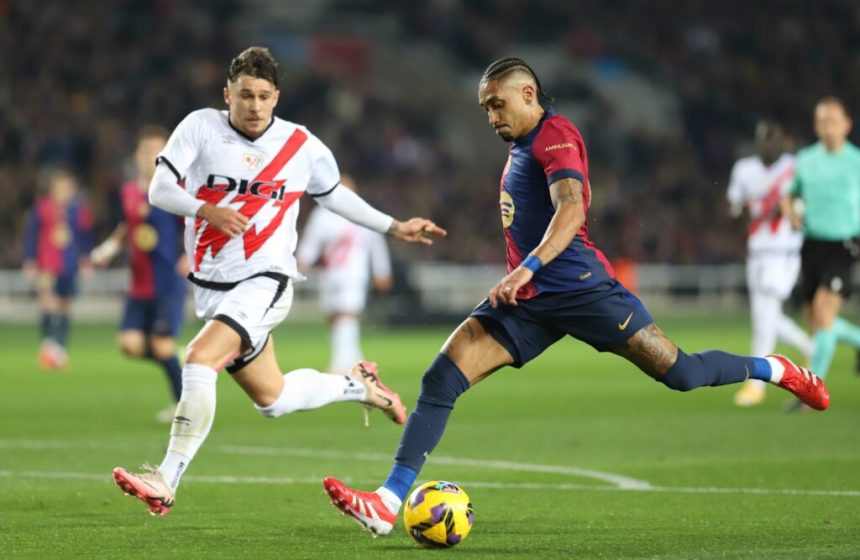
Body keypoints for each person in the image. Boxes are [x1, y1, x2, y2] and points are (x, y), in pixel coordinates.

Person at [322, 57, 831, 537]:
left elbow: (570, 211)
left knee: (682, 374)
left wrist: (527, 267)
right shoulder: (521, 145)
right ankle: (387, 503)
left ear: (528, 93)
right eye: (485, 108)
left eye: (498, 104)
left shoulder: (557, 136)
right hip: (529, 301)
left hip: (580, 291)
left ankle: (776, 369)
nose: (491, 116)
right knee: (441, 378)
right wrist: (525, 276)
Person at [111, 46, 446, 516]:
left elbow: (335, 197)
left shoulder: (300, 145)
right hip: (212, 287)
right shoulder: (200, 127)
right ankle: (361, 387)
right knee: (273, 398)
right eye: (245, 95)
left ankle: (166, 478)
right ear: (227, 94)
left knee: (199, 357)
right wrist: (206, 209)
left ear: (276, 98)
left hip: (265, 279)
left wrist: (395, 227)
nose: (254, 105)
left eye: (263, 96)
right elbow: (160, 189)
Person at [91, 126, 188, 422]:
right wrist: (108, 248)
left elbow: (194, 224)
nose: (151, 157)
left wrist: (190, 256)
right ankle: (174, 357)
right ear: (136, 155)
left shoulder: (177, 190)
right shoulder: (129, 191)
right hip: (139, 283)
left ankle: (183, 407)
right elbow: (127, 226)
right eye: (146, 151)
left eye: (157, 151)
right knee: (129, 345)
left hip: (167, 281)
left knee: (159, 344)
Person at [781, 96, 860, 410]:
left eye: (833, 122)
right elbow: (788, 195)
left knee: (824, 313)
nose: (828, 128)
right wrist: (790, 212)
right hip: (811, 245)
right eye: (823, 122)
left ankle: (811, 392)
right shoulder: (806, 159)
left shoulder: (856, 161)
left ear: (846, 125)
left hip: (844, 244)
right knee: (816, 322)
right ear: (816, 126)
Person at [726, 121, 812, 407]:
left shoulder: (793, 167)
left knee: (764, 319)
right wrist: (739, 212)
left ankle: (756, 386)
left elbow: (804, 201)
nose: (770, 145)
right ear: (757, 142)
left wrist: (796, 209)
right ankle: (810, 346)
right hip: (757, 251)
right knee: (764, 316)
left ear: (783, 142)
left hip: (784, 251)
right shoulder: (744, 169)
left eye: (774, 139)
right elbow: (734, 209)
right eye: (765, 140)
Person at [296, 174, 393, 376]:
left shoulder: (361, 212)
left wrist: (381, 270)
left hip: (354, 272)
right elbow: (311, 242)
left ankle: (341, 363)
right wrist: (302, 262)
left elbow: (376, 243)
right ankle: (355, 359)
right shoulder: (323, 214)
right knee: (333, 315)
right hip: (329, 273)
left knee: (347, 312)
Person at [22, 168, 94, 369]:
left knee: (64, 306)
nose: (63, 191)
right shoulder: (42, 208)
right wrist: (29, 259)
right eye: (60, 187)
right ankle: (47, 346)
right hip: (47, 265)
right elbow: (32, 234)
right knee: (47, 303)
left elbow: (85, 236)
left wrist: (86, 259)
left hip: (69, 266)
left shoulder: (77, 210)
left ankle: (60, 349)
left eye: (67, 187)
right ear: (52, 189)